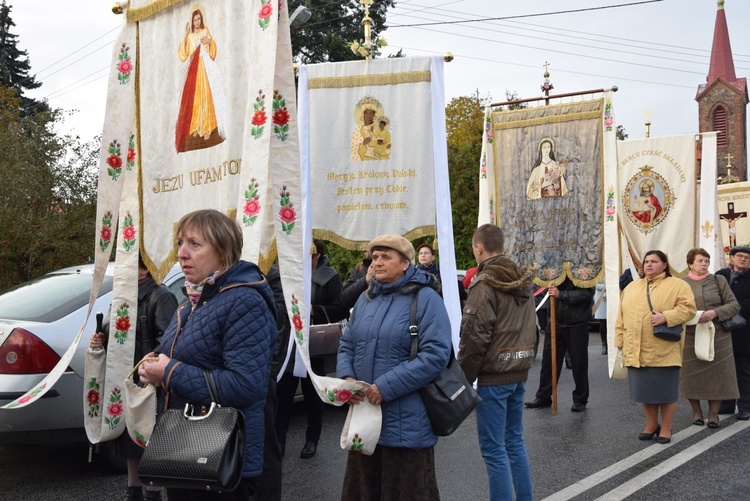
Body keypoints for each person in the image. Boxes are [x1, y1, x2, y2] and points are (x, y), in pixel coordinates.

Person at [138, 209, 277, 500]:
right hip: (184, 450)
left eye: (194, 244)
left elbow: (245, 386)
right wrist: (154, 364)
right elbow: (191, 356)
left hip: (221, 457)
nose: (182, 254)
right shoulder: (192, 301)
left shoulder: (245, 301)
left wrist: (169, 372)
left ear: (223, 251)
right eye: (179, 243)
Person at [337, 234, 451, 500]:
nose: (376, 262)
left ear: (405, 263)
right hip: (365, 425)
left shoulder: (426, 299)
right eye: (374, 257)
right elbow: (347, 345)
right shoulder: (365, 300)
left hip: (406, 428)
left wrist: (386, 387)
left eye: (385, 257)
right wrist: (347, 379)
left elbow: (436, 356)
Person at [89, 256, 178, 501]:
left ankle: (152, 493)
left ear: (144, 269)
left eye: (130, 265)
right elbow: (112, 334)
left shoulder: (161, 296)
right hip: (124, 378)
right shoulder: (121, 297)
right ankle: (133, 491)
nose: (123, 271)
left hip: (148, 380)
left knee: (147, 437)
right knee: (128, 439)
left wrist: (154, 365)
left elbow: (168, 341)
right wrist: (100, 341)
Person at [458, 224, 535, 501]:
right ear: (502, 246)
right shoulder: (523, 279)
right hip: (519, 367)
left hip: (494, 375)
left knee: (493, 449)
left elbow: (474, 335)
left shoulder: (485, 283)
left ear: (478, 248)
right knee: (514, 441)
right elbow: (531, 325)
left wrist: (463, 378)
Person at [275, 240, 348, 459]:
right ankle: (279, 441)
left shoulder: (330, 277)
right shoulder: (288, 275)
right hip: (289, 343)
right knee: (283, 395)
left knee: (313, 395)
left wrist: (313, 310)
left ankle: (312, 439)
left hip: (313, 344)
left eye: (310, 256)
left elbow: (340, 308)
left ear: (318, 256)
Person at [615, 250, 696, 444]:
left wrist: (666, 317)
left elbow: (689, 309)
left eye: (654, 261)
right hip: (635, 349)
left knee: (665, 392)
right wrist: (620, 341)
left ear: (664, 265)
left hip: (663, 348)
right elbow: (621, 317)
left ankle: (666, 428)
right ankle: (651, 424)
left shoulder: (678, 285)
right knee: (645, 392)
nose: (649, 265)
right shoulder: (632, 287)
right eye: (646, 262)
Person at [680, 248, 740, 429]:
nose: (704, 264)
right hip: (691, 334)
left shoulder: (718, 280)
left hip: (718, 334)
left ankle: (714, 413)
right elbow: (676, 306)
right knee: (690, 376)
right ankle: (696, 411)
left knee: (718, 376)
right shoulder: (681, 283)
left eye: (706, 261)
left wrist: (715, 312)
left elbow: (734, 305)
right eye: (700, 261)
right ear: (690, 263)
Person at [525, 278, 594, 412]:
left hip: (577, 322)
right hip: (556, 321)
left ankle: (580, 399)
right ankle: (543, 396)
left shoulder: (582, 268)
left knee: (578, 363)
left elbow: (587, 293)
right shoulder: (554, 267)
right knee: (548, 362)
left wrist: (561, 295)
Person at [175, 7, 226, 153]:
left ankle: (207, 127)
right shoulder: (190, 36)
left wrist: (209, 42)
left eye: (198, 19)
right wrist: (185, 35)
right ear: (192, 21)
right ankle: (195, 126)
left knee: (205, 96)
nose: (197, 22)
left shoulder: (205, 32)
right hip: (194, 71)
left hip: (204, 69)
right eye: (194, 20)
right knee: (194, 98)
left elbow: (212, 50)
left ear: (201, 20)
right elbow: (183, 54)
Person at [716, 245, 750, 420]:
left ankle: (745, 406)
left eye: (746, 257)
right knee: (725, 369)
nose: (743, 259)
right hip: (722, 329)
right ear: (732, 258)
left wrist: (729, 307)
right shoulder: (721, 275)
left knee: (744, 370)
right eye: (739, 256)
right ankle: (727, 404)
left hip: (744, 330)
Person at [594, 278, 608, 355]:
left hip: (611, 296)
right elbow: (595, 284)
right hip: (601, 299)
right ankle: (604, 344)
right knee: (603, 323)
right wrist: (605, 287)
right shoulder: (598, 269)